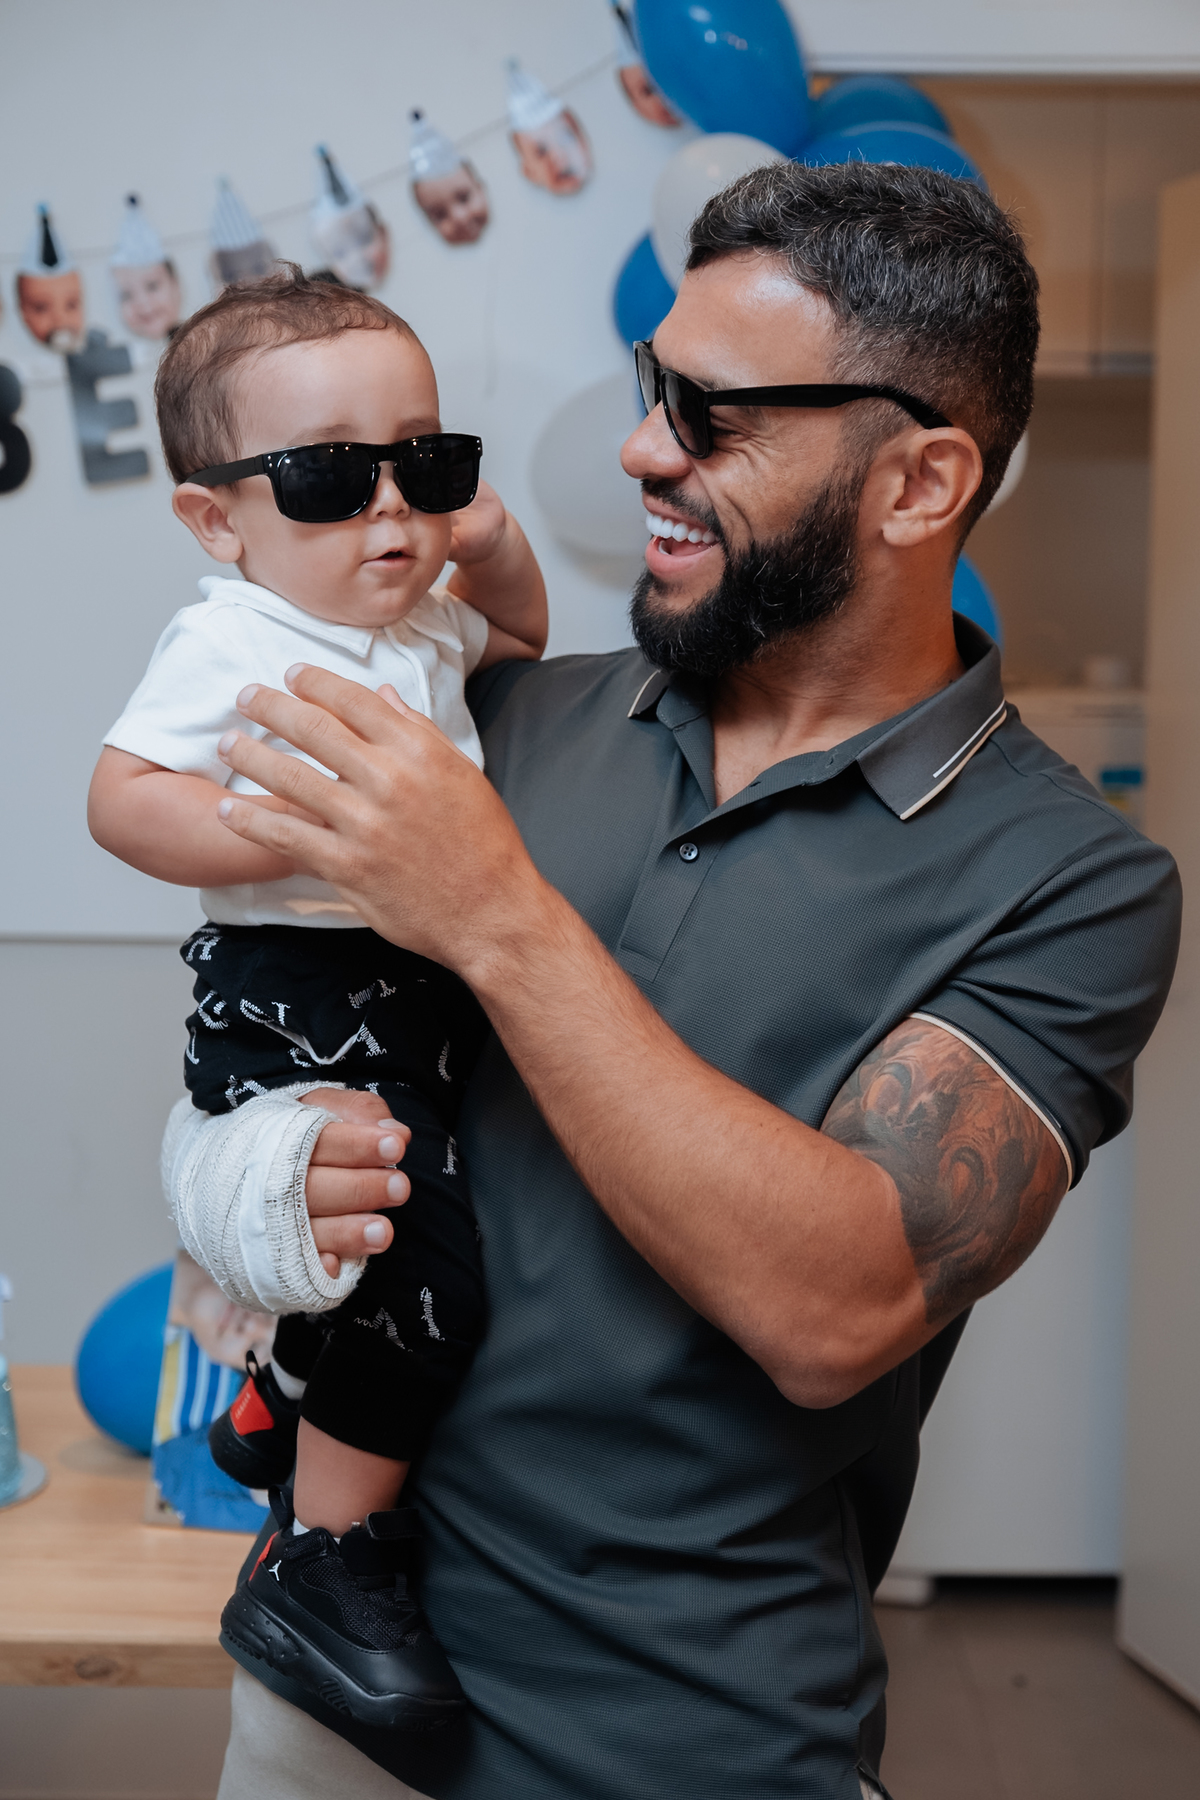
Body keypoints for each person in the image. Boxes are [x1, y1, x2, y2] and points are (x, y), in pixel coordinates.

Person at [174, 164, 1178, 1799]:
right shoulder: (502, 723)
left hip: (691, 1737)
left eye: (714, 417)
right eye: (657, 389)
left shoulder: (1072, 882)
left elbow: (835, 1307)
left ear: (921, 483)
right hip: (333, 1691)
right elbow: (254, 1037)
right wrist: (227, 1185)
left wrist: (498, 914)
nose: (645, 447)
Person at [87, 267, 548, 1730]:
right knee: (423, 1265)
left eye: (428, 463)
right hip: (296, 991)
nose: (396, 512)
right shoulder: (231, 639)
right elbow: (121, 800)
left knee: (412, 1243)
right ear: (219, 521)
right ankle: (327, 1552)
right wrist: (281, 831)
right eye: (333, 479)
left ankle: (275, 1401)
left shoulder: (423, 629)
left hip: (417, 977)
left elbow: (523, 648)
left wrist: (505, 549)